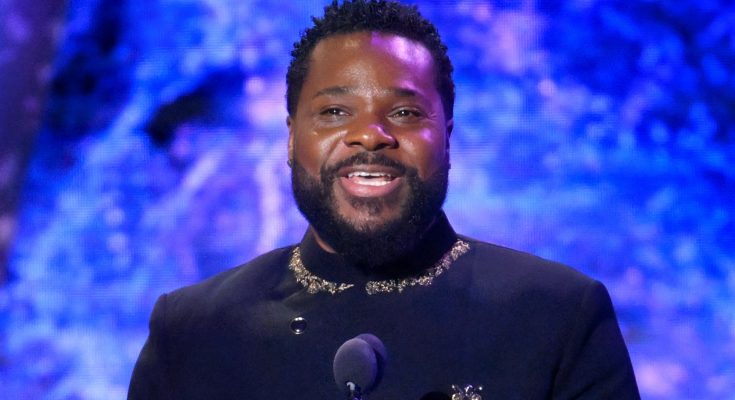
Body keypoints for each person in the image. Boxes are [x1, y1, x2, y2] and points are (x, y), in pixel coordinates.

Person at [128, 1, 640, 398]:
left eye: (404, 114)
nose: (370, 135)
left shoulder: (557, 316)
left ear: (447, 137)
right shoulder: (192, 331)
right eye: (334, 112)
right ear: (291, 139)